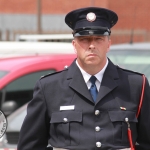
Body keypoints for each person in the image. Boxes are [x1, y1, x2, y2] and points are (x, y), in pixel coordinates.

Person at [17, 7, 150, 150]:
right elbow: (29, 146)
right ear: (74, 45)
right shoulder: (49, 87)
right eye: (84, 39)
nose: (92, 45)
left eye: (99, 39)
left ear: (108, 44)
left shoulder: (136, 85)